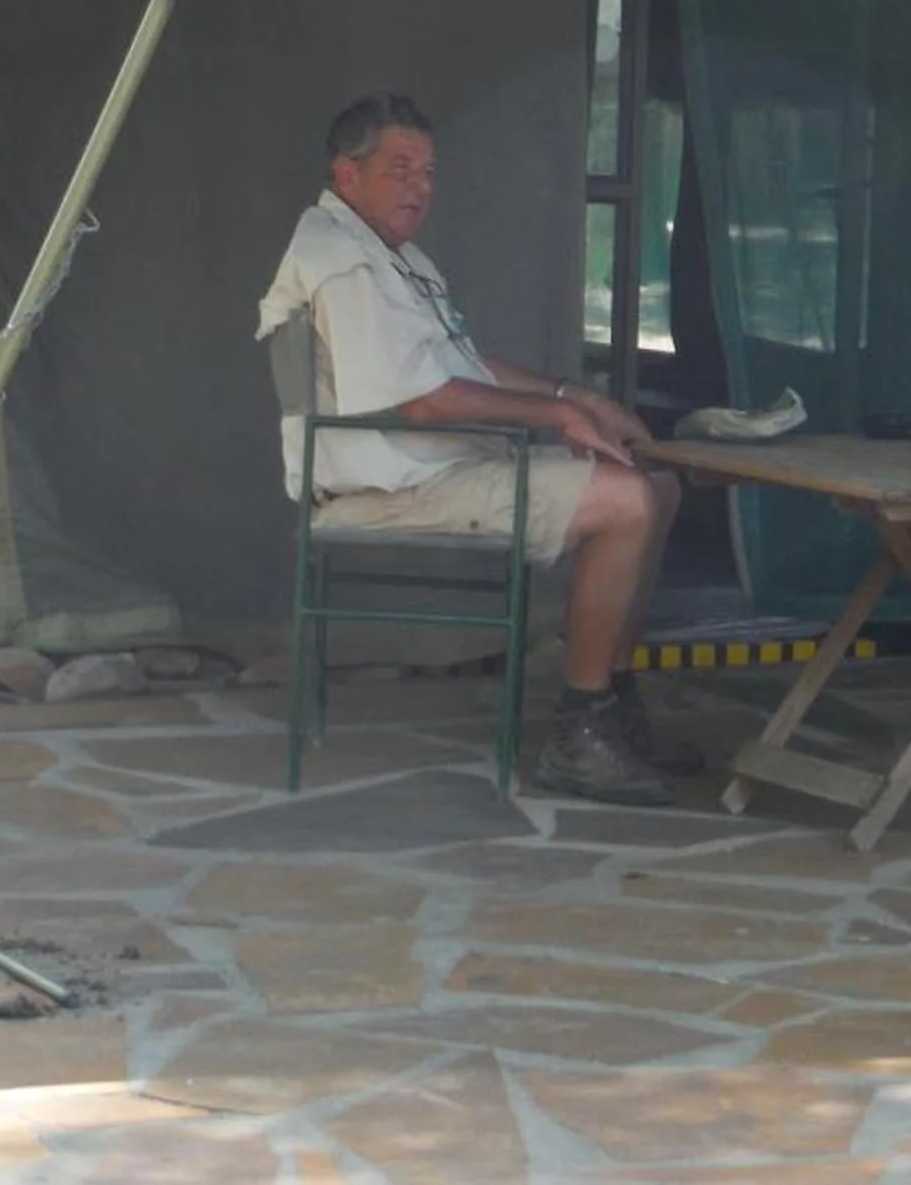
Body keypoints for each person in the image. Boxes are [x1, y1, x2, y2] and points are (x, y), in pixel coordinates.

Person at [258, 92, 696, 807]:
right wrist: (556, 416)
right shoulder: (340, 259)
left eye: (428, 172)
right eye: (400, 169)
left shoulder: (394, 257)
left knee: (656, 484)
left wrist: (575, 397)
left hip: (442, 465)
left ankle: (614, 706)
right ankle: (580, 733)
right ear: (348, 174)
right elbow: (422, 401)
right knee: (627, 500)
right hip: (390, 488)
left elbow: (462, 365)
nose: (419, 188)